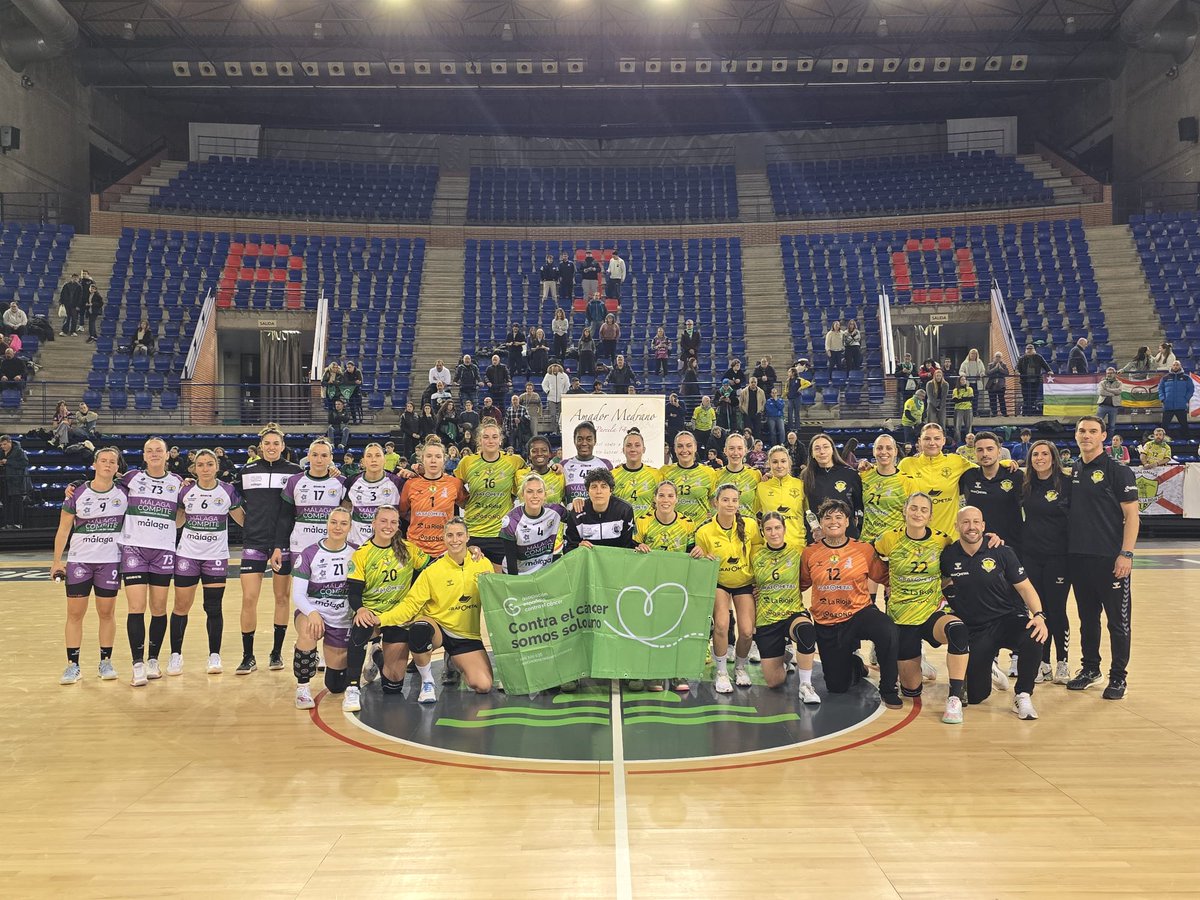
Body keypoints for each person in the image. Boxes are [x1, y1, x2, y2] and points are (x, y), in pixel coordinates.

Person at [874, 492, 972, 724]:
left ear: (930, 515)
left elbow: (965, 558)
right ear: (904, 511)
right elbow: (873, 565)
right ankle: (911, 669)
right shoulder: (888, 539)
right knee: (910, 691)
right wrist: (886, 584)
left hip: (932, 612)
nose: (918, 513)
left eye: (924, 510)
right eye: (914, 508)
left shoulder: (942, 540)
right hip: (901, 618)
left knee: (958, 630)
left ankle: (955, 697)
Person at [943, 506, 1049, 719]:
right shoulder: (948, 555)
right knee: (975, 697)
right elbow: (944, 584)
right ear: (956, 526)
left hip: (1007, 620)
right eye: (965, 522)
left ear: (983, 526)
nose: (971, 527)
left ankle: (1023, 695)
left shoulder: (1001, 551)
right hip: (976, 630)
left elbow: (1025, 587)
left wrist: (1039, 616)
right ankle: (990, 668)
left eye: (976, 522)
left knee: (1033, 635)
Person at [378, 517, 494, 702]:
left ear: (467, 537)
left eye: (459, 535)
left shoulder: (483, 564)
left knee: (483, 685)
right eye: (450, 535)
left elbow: (494, 598)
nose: (454, 539)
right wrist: (380, 620)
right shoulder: (433, 570)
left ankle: (454, 660)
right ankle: (427, 681)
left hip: (466, 634)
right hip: (437, 626)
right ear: (444, 538)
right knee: (419, 630)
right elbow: (410, 605)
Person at [800, 499, 901, 709]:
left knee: (887, 629)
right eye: (827, 518)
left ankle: (888, 688)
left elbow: (886, 575)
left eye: (838, 517)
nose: (833, 521)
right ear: (820, 523)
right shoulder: (809, 552)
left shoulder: (863, 549)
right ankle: (855, 665)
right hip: (827, 621)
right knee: (837, 686)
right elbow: (799, 583)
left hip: (859, 613)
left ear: (848, 521)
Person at [1066, 416, 1139, 699]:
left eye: (1092, 431)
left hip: (1110, 560)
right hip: (1078, 558)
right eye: (1082, 430)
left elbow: (1132, 516)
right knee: (1087, 619)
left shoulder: (1118, 471)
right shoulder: (1073, 470)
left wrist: (1126, 554)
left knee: (1117, 623)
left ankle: (1118, 677)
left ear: (1103, 436)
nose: (1086, 435)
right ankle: (1090, 669)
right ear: (1076, 435)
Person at [233, 428, 313, 677]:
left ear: (282, 445)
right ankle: (248, 656)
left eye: (275, 443)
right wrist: (249, 524)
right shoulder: (247, 471)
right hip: (254, 543)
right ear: (260, 445)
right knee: (249, 598)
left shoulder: (294, 472)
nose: (271, 447)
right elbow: (232, 501)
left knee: (282, 598)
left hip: (283, 543)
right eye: (266, 443)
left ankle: (276, 653)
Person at [344, 506, 433, 709]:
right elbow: (354, 592)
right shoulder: (362, 554)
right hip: (371, 613)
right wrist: (360, 609)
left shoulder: (409, 549)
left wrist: (469, 550)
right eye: (383, 521)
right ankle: (352, 688)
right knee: (361, 627)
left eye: (393, 522)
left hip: (398, 615)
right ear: (373, 524)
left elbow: (434, 566)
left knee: (392, 687)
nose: (388, 526)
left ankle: (376, 654)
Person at [52, 446, 128, 684]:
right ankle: (73, 665)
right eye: (103, 460)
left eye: (112, 462)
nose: (107, 464)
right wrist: (56, 562)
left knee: (107, 613)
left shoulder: (125, 493)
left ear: (117, 468)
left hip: (109, 562)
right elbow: (63, 529)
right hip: (80, 561)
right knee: (75, 614)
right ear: (94, 465)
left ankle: (105, 661)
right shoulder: (77, 493)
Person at [113, 438, 184, 686]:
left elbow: (182, 516)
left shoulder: (178, 483)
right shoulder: (131, 478)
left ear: (167, 456)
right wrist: (76, 485)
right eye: (149, 451)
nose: (154, 454)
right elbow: (103, 485)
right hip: (134, 549)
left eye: (159, 451)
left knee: (158, 607)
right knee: (136, 607)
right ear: (143, 455)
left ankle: (153, 660)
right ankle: (137, 664)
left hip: (163, 550)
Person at [169, 449, 245, 676]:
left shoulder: (227, 491)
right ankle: (175, 655)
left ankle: (214, 655)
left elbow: (243, 520)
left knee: (213, 607)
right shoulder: (186, 491)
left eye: (209, 464)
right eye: (200, 465)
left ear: (217, 467)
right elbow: (178, 522)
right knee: (181, 607)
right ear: (194, 468)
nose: (205, 469)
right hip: (188, 555)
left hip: (215, 557)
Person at [693, 484, 762, 693]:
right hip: (719, 582)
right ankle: (722, 672)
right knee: (722, 625)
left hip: (744, 583)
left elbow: (758, 555)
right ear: (716, 502)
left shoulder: (750, 526)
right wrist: (702, 556)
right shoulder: (704, 531)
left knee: (748, 632)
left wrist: (759, 581)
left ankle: (740, 668)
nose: (730, 504)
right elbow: (701, 563)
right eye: (725, 500)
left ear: (739, 503)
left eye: (734, 500)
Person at [751, 512, 820, 703]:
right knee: (775, 681)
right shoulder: (755, 555)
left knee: (806, 631)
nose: (773, 533)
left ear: (784, 529)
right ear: (763, 532)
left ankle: (805, 685)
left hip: (792, 612)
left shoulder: (798, 551)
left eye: (777, 528)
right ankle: (786, 653)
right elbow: (744, 580)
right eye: (768, 529)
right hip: (767, 617)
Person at [290, 508, 355, 709]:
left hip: (342, 617)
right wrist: (312, 613)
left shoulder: (357, 552)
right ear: (327, 524)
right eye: (334, 522)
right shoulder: (310, 553)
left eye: (343, 523)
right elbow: (298, 594)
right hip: (314, 611)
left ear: (350, 527)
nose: (338, 527)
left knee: (336, 686)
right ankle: (303, 688)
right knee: (309, 630)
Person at [1021, 439, 1072, 686]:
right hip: (1031, 556)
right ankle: (1044, 663)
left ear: (1053, 457)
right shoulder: (1025, 485)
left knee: (1056, 610)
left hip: (1058, 558)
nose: (1039, 458)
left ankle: (1063, 662)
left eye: (1044, 454)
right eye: (1035, 455)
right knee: (1037, 611)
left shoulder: (1067, 484)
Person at [457, 421, 526, 577]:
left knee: (501, 582)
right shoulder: (467, 462)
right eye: (486, 437)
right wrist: (464, 501)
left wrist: (557, 467)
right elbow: (453, 486)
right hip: (473, 532)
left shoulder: (514, 461)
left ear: (500, 440)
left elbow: (529, 478)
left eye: (494, 437)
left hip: (500, 533)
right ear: (479, 440)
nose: (490, 441)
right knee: (472, 581)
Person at [898, 423, 975, 538]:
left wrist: (1006, 463)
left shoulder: (956, 461)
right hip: (916, 539)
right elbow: (888, 479)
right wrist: (869, 467)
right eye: (927, 438)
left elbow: (985, 469)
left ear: (943, 441)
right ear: (920, 441)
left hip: (949, 539)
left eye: (937, 438)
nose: (932, 443)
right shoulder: (907, 464)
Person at [397, 438, 468, 558]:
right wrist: (422, 519)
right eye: (429, 456)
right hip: (416, 550)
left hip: (445, 550)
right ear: (422, 460)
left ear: (444, 460)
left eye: (438, 457)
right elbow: (402, 512)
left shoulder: (454, 484)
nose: (433, 461)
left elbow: (465, 504)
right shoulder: (411, 484)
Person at [958, 431, 1023, 552]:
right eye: (980, 450)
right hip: (978, 546)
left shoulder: (1016, 476)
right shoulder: (968, 476)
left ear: (999, 451)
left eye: (990, 449)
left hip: (1011, 545)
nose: (985, 454)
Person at [343, 442, 409, 548]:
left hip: (389, 547)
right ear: (363, 461)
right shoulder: (352, 481)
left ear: (384, 459)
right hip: (358, 547)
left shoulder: (397, 482)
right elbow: (344, 510)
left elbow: (408, 512)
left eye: (378, 455)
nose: (373, 459)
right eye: (369, 456)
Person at [801, 433, 863, 538]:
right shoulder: (805, 477)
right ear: (811, 453)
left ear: (833, 450)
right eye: (817, 448)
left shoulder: (850, 474)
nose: (822, 451)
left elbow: (860, 506)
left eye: (826, 447)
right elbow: (805, 510)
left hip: (847, 536)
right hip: (818, 537)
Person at [860, 434, 913, 543]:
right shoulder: (864, 476)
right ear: (874, 451)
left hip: (894, 544)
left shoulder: (907, 481)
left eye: (889, 448)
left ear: (896, 452)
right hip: (867, 543)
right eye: (879, 448)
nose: (884, 452)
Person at [660, 431, 718, 525]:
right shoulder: (664, 472)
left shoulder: (709, 473)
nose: (684, 450)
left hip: (700, 529)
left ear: (695, 447)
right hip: (674, 530)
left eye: (689, 445)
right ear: (674, 449)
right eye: (680, 446)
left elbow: (714, 502)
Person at [755, 444, 806, 546]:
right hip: (771, 548)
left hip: (797, 545)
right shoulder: (761, 487)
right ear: (769, 464)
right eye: (775, 462)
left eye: (783, 461)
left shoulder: (801, 485)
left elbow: (810, 514)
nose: (779, 466)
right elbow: (750, 514)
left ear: (789, 463)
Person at [610, 429, 660, 520]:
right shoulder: (613, 475)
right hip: (621, 529)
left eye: (637, 445)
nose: (633, 449)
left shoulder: (655, 474)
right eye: (629, 445)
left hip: (646, 529)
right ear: (623, 450)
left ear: (643, 449)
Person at [561, 420, 614, 504]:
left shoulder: (606, 465)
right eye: (580, 439)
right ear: (574, 441)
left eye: (589, 439)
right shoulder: (564, 465)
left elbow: (612, 494)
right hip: (572, 516)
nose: (584, 443)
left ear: (595, 441)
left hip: (598, 516)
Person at [718, 433, 761, 518]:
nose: (735, 452)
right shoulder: (715, 475)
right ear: (725, 450)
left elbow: (759, 505)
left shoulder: (755, 474)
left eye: (739, 448)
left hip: (748, 528)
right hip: (722, 529)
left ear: (745, 450)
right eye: (731, 448)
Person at [0, 434, 29, 529]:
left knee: (17, 503)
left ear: (10, 442)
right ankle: (8, 523)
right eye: (1, 445)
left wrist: (7, 462)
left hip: (16, 482)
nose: (3, 447)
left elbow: (24, 463)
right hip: (4, 482)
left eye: (4, 444)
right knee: (6, 504)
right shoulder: (1, 452)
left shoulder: (19, 451)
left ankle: (18, 523)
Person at [1159, 360, 1191, 439]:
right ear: (1171, 366)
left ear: (1180, 366)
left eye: (1177, 365)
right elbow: (1160, 389)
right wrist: (1163, 399)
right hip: (1168, 406)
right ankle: (1162, 440)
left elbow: (1191, 390)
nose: (1175, 366)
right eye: (1174, 365)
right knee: (1164, 425)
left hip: (1181, 406)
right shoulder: (1165, 378)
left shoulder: (1186, 378)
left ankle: (1186, 441)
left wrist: (1185, 399)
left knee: (1184, 425)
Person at [1017, 343, 1051, 415]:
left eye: (1030, 349)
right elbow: (1017, 368)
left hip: (1035, 381)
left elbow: (1045, 365)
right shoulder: (1021, 359)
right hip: (1025, 381)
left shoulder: (1038, 357)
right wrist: (1017, 372)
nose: (1029, 350)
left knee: (1033, 396)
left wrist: (1049, 371)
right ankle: (1025, 412)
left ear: (1033, 350)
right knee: (1025, 396)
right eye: (1028, 349)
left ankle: (1031, 411)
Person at [958, 349, 987, 414]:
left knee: (975, 399)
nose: (973, 355)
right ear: (969, 354)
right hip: (968, 383)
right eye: (972, 353)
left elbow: (983, 371)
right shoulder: (965, 362)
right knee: (967, 398)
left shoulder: (979, 362)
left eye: (975, 354)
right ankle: (968, 412)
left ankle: (974, 412)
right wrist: (964, 375)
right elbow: (960, 371)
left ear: (977, 355)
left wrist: (982, 374)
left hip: (976, 383)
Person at [1096, 367, 1122, 436]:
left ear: (1114, 374)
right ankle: (1098, 439)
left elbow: (1119, 391)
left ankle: (1110, 441)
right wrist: (1113, 393)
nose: (1109, 375)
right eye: (1108, 373)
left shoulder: (1119, 383)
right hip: (1102, 406)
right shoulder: (1102, 383)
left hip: (1113, 407)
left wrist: (1107, 389)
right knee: (1097, 424)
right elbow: (1101, 392)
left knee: (1112, 426)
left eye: (1111, 373)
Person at [951, 375, 974, 442]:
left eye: (964, 379)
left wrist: (961, 399)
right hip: (958, 409)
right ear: (959, 381)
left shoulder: (970, 389)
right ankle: (958, 442)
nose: (964, 381)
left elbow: (971, 398)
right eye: (962, 380)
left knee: (968, 427)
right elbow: (955, 400)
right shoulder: (955, 390)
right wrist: (965, 399)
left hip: (968, 409)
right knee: (957, 427)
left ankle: (969, 441)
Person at [985, 352, 1010, 417]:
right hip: (991, 384)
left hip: (1001, 385)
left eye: (999, 357)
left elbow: (1007, 373)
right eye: (996, 356)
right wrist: (995, 368)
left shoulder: (1004, 365)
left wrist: (1001, 369)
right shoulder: (990, 365)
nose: (998, 358)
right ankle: (994, 413)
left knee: (1001, 399)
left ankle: (1004, 413)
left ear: (1001, 358)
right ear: (994, 357)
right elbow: (988, 373)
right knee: (992, 400)